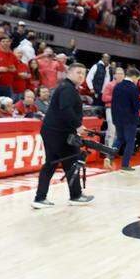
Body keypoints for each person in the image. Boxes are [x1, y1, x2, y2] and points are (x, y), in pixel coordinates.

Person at [31, 63, 93, 208]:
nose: (81, 76)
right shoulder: (67, 88)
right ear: (69, 73)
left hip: (56, 131)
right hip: (57, 132)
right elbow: (65, 110)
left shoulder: (68, 88)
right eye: (78, 72)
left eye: (83, 73)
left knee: (60, 162)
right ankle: (74, 196)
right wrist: (78, 125)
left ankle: (42, 198)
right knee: (66, 161)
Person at [111, 68, 140, 172]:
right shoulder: (132, 88)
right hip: (129, 119)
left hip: (117, 118)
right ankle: (125, 164)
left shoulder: (117, 86)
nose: (137, 81)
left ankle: (109, 156)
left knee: (119, 139)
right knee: (130, 141)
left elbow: (113, 104)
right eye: (137, 79)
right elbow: (137, 105)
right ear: (134, 77)